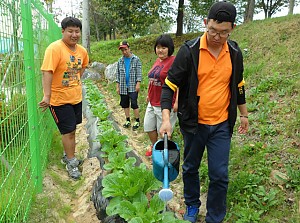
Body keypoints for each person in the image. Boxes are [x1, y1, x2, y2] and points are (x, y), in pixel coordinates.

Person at [159, 2, 249, 223]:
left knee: (219, 174)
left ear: (232, 29)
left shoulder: (235, 53)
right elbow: (169, 85)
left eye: (223, 33)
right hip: (194, 123)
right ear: (205, 24)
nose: (217, 37)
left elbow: (239, 85)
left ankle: (215, 216)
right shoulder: (189, 51)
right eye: (213, 31)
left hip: (221, 124)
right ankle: (191, 205)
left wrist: (244, 114)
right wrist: (165, 119)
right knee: (190, 167)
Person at [38, 17, 89, 180]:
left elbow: (83, 67)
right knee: (68, 132)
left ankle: (68, 155)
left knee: (73, 130)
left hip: (75, 97)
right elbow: (47, 71)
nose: (74, 35)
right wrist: (47, 95)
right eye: (70, 31)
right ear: (63, 31)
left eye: (77, 31)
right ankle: (71, 162)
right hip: (59, 99)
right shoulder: (54, 49)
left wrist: (75, 81)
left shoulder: (81, 51)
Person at [144, 34, 178, 156]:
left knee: (163, 132)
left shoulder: (174, 61)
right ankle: (155, 147)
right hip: (152, 101)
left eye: (164, 47)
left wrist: (177, 101)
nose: (160, 50)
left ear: (170, 48)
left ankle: (163, 155)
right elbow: (152, 77)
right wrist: (148, 93)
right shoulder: (158, 61)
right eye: (158, 47)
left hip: (165, 103)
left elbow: (179, 82)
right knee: (148, 127)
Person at [116, 41, 142, 131]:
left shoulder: (136, 59)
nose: (124, 52)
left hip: (132, 86)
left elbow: (139, 73)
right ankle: (127, 120)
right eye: (122, 50)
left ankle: (137, 120)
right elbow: (118, 74)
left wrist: (138, 83)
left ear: (129, 48)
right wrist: (117, 86)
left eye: (125, 49)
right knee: (125, 104)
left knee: (134, 103)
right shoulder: (120, 61)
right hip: (123, 86)